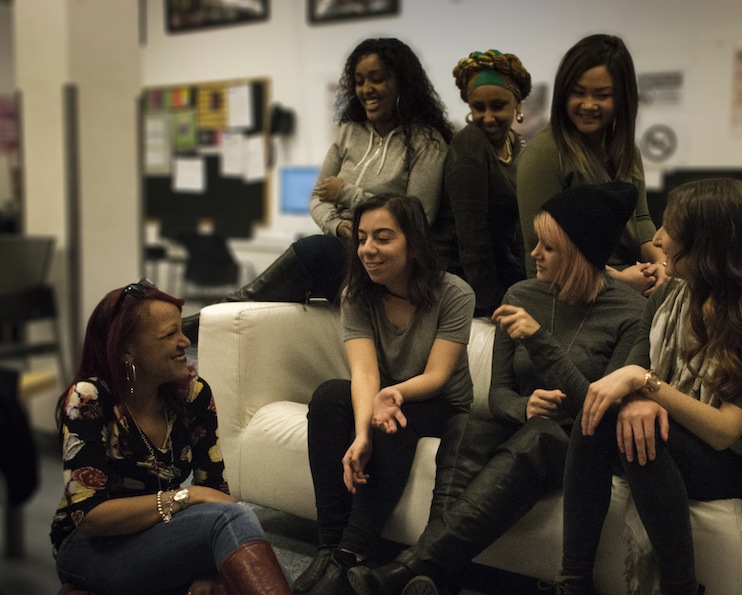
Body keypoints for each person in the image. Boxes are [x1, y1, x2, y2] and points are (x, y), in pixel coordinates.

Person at [345, 182, 646, 595]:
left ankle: (408, 567)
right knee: (469, 424)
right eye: (535, 243)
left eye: (548, 248)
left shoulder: (631, 312)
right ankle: (434, 577)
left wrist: (540, 343)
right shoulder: (522, 294)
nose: (534, 254)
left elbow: (601, 411)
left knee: (541, 435)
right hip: (525, 424)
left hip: (584, 445)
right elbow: (500, 393)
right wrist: (523, 408)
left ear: (580, 253)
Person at [557, 178, 742, 595]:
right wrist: (640, 394)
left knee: (642, 431)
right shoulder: (668, 297)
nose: (657, 239)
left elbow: (725, 432)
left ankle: (680, 588)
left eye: (670, 229)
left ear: (707, 243)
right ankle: (573, 581)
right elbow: (629, 373)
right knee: (600, 418)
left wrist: (647, 388)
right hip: (669, 435)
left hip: (726, 462)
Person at [182, 37, 454, 343]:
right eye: (360, 81)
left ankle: (205, 321)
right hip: (349, 248)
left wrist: (346, 195)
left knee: (313, 251)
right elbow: (316, 198)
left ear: (403, 83)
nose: (366, 90)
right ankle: (212, 321)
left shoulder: (427, 141)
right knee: (313, 253)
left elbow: (417, 214)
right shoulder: (350, 133)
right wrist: (339, 226)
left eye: (377, 79)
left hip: (394, 265)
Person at [51, 279, 291, 595]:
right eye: (169, 334)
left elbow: (215, 491)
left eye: (181, 329)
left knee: (233, 545)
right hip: (90, 547)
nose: (184, 342)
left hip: (160, 534)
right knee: (231, 527)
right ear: (127, 350)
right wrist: (182, 497)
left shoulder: (194, 395)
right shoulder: (89, 398)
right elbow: (90, 517)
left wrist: (210, 569)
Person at [295, 194, 475, 595]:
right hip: (385, 395)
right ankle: (328, 546)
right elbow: (363, 372)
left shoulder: (455, 293)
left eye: (382, 238)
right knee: (328, 397)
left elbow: (437, 376)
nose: (368, 250)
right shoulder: (357, 293)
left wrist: (388, 399)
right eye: (361, 238)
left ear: (413, 243)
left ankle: (352, 553)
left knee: (392, 420)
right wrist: (361, 434)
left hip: (440, 403)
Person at [516, 34, 668, 296]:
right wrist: (617, 281)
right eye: (578, 93)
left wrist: (663, 264)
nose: (588, 105)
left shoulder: (627, 149)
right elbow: (541, 261)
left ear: (622, 98)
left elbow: (641, 219)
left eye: (602, 95)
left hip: (628, 288)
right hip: (571, 297)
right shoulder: (544, 154)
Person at [432, 49, 532, 316]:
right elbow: (471, 238)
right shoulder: (469, 145)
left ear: (518, 104)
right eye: (479, 108)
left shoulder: (518, 146)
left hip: (504, 278)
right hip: (463, 285)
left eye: (498, 106)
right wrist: (491, 306)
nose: (488, 117)